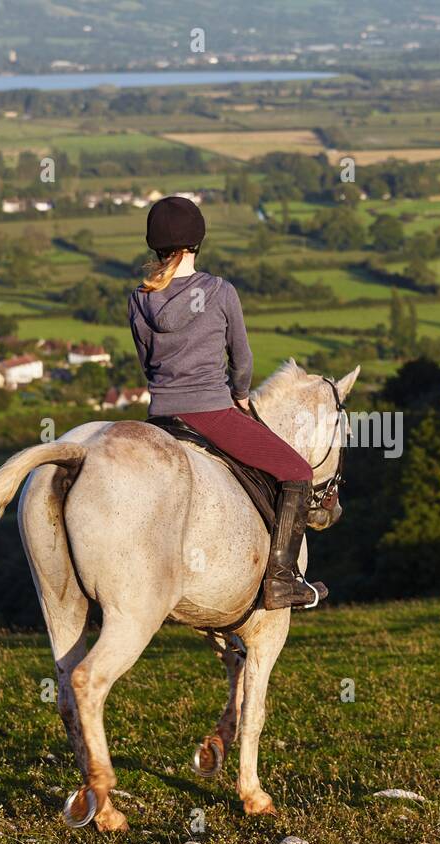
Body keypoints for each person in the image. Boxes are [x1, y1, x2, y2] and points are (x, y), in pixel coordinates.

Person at [127, 196, 326, 610]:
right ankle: (282, 579)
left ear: (155, 245)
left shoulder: (140, 299)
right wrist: (239, 397)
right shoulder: (219, 292)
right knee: (297, 469)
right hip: (211, 412)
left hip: (161, 416)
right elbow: (242, 360)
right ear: (197, 241)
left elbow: (148, 362)